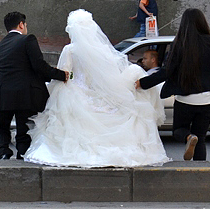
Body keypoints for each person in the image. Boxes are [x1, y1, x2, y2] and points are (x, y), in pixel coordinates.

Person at [25, 9, 170, 168]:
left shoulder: (70, 49)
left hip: (75, 91)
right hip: (98, 94)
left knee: (71, 125)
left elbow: (65, 73)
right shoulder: (103, 50)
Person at [137, 8, 210, 161]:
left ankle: (188, 137)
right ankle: (201, 170)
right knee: (201, 138)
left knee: (179, 130)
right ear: (202, 22)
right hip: (209, 99)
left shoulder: (179, 44)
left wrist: (143, 83)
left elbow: (167, 71)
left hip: (186, 99)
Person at [0, 12, 69, 160]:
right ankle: (22, 153)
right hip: (24, 92)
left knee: (1, 126)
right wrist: (61, 75)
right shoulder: (27, 39)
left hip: (1, 92)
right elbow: (39, 66)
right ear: (21, 24)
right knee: (24, 126)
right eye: (25, 25)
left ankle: (3, 151)